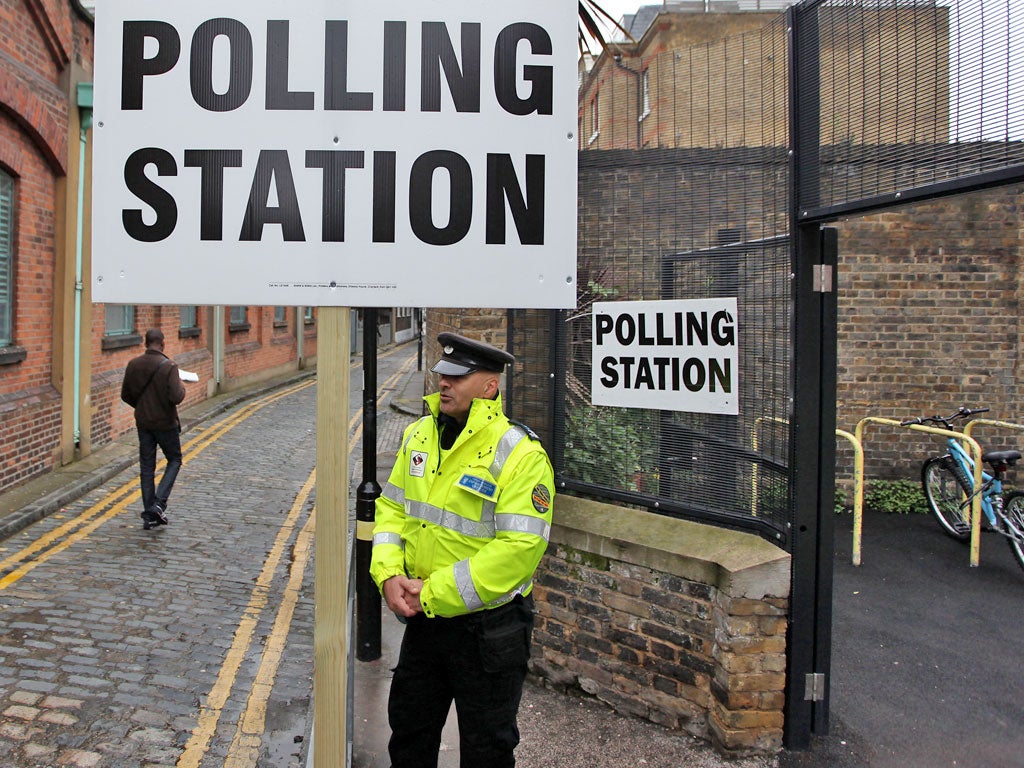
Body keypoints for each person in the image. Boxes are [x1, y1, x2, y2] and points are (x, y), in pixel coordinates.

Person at [370, 332, 555, 768]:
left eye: (458, 376)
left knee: (486, 748)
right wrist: (388, 574)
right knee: (409, 734)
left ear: (490, 386)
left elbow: (520, 549)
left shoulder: (521, 454)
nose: (444, 384)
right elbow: (392, 510)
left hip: (489, 631)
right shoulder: (419, 434)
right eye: (442, 374)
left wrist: (431, 593)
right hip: (425, 624)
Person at [120, 328, 187, 530]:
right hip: (165, 424)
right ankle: (159, 504)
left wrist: (142, 408)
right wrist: (182, 386)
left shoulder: (133, 364)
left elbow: (126, 395)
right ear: (163, 343)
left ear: (146, 343)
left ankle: (149, 513)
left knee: (147, 467)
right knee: (174, 460)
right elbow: (176, 396)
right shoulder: (169, 367)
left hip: (144, 423)